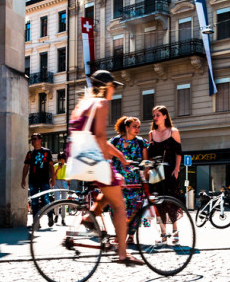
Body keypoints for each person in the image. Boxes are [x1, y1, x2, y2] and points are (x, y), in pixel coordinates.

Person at [67, 70, 143, 266]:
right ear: (106, 87)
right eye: (113, 86)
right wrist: (107, 162)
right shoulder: (101, 103)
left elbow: (91, 135)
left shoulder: (83, 103)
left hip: (77, 156)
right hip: (92, 158)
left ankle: (89, 215)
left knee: (112, 187)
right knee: (119, 204)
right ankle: (123, 254)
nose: (113, 90)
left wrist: (121, 158)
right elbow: (100, 136)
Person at [148, 105, 184, 244]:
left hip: (169, 172)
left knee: (171, 202)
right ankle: (163, 233)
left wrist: (177, 169)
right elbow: (150, 155)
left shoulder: (173, 131)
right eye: (154, 115)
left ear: (164, 116)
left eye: (157, 115)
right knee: (159, 204)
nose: (155, 118)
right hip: (156, 172)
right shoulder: (151, 133)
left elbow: (178, 152)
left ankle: (175, 231)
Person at [110, 116, 148, 238]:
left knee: (134, 209)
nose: (137, 129)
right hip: (118, 181)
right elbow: (109, 159)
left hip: (135, 182)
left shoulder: (141, 142)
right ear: (126, 128)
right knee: (114, 208)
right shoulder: (115, 141)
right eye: (134, 126)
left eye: (138, 127)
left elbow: (145, 162)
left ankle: (131, 235)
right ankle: (119, 233)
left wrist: (145, 179)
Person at [22, 133, 57, 226]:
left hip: (44, 180)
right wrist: (23, 179)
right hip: (33, 180)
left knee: (45, 199)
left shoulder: (47, 152)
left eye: (34, 139)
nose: (33, 141)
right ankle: (36, 222)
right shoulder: (30, 153)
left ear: (40, 140)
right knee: (34, 202)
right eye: (32, 139)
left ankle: (50, 216)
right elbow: (26, 166)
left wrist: (53, 178)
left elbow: (51, 166)